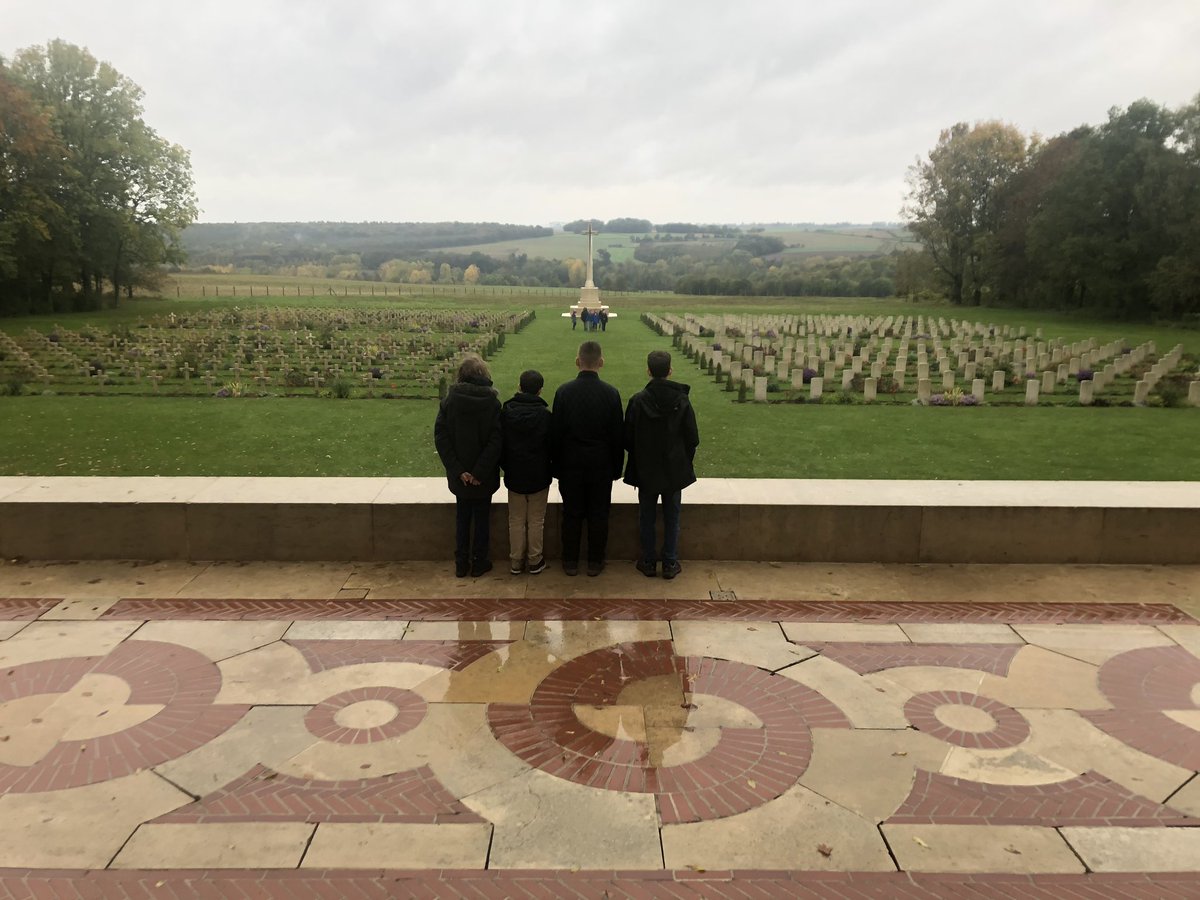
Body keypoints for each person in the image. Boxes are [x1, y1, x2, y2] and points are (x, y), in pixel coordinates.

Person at [623, 350, 699, 580]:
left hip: (646, 469)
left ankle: (648, 561)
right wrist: (682, 460)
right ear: (670, 371)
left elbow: (627, 438)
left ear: (648, 371)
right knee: (672, 516)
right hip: (674, 469)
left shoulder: (638, 401)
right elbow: (692, 438)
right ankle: (670, 562)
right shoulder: (682, 401)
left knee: (646, 516)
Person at [551, 340, 623, 576]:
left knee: (571, 514)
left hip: (570, 465)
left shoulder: (563, 392)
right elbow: (617, 436)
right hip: (601, 465)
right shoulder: (611, 394)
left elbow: (556, 434)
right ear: (601, 362)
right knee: (599, 514)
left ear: (577, 361)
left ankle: (570, 561)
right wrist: (616, 469)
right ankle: (595, 561)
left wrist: (556, 467)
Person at [434, 354, 502, 578]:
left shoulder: (450, 401)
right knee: (482, 519)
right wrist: (479, 472)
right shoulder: (492, 402)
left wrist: (459, 470)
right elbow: (496, 440)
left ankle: (461, 563)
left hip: (460, 476)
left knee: (462, 519)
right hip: (484, 476)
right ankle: (479, 561)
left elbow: (442, 437)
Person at [501, 369, 552, 575]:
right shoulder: (546, 416)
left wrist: (507, 465)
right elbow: (551, 446)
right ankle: (534, 560)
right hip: (539, 474)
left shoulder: (506, 414)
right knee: (536, 520)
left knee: (515, 519)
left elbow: (501, 445)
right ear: (540, 390)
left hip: (514, 472)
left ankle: (516, 561)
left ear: (519, 387)